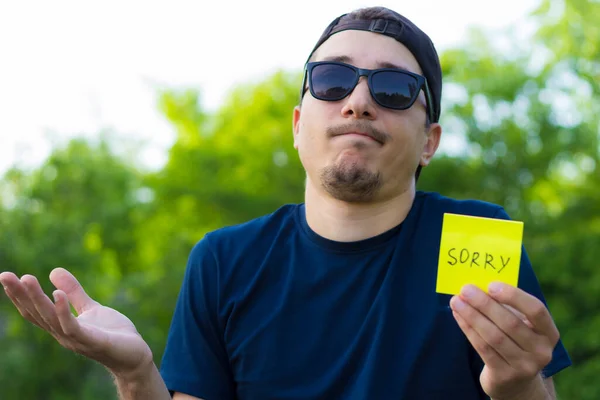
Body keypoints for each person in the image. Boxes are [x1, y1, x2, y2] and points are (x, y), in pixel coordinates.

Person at [0, 6, 572, 400]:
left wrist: (518, 384)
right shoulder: (225, 260)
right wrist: (137, 373)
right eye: (331, 81)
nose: (358, 102)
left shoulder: (474, 235)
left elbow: (527, 388)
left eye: (394, 89)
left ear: (430, 141)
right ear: (299, 125)